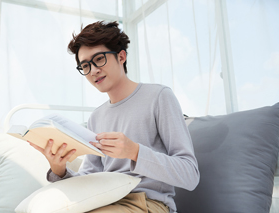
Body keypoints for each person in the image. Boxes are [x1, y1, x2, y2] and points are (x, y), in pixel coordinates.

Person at [29, 21, 200, 213]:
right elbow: (89, 179)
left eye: (99, 59)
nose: (93, 70)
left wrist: (135, 152)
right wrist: (58, 170)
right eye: (85, 65)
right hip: (103, 201)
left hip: (148, 204)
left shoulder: (159, 97)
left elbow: (190, 175)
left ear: (121, 56)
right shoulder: (96, 117)